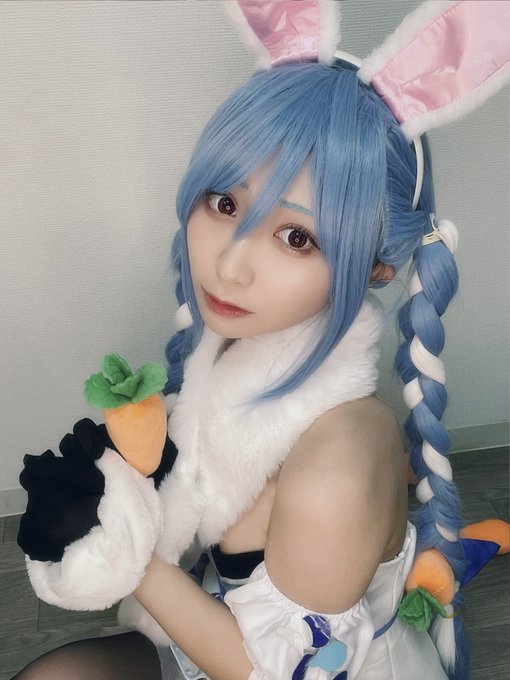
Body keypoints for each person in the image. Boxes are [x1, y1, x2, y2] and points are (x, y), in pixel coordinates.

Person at [13, 1, 510, 679]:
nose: (230, 264)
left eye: (297, 236)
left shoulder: (337, 458)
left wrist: (115, 544)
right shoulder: (237, 352)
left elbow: (285, 672)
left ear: (376, 267)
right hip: (215, 631)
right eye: (225, 204)